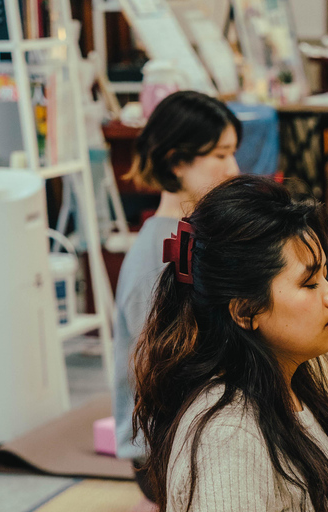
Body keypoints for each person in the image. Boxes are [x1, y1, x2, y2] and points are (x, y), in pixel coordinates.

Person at [132, 175, 328, 511]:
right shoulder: (228, 437)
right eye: (310, 283)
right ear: (245, 310)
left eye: (325, 276)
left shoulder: (286, 388)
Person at [112, 91, 241, 509]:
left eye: (233, 153)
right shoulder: (157, 253)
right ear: (176, 161)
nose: (234, 169)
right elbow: (164, 369)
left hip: (200, 428)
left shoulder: (196, 235)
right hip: (164, 452)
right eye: (220, 155)